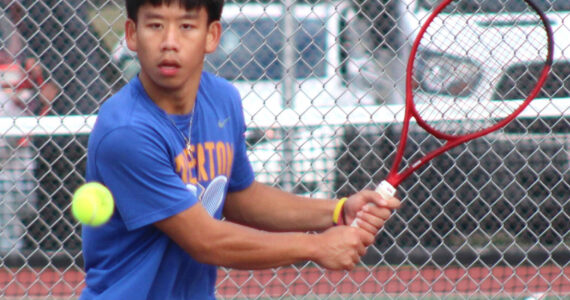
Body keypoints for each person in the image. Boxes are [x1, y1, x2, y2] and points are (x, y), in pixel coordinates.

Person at [80, 0, 400, 299]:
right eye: (155, 26)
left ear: (212, 35)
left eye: (187, 26)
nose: (169, 42)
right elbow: (206, 240)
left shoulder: (222, 100)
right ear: (132, 35)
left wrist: (336, 211)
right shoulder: (127, 132)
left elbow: (239, 196)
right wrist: (315, 247)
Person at [0, 12, 58, 254]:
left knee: (26, 203)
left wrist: (30, 100)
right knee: (7, 211)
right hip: (4, 151)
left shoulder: (26, 64)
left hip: (19, 146)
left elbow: (49, 93)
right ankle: (8, 257)